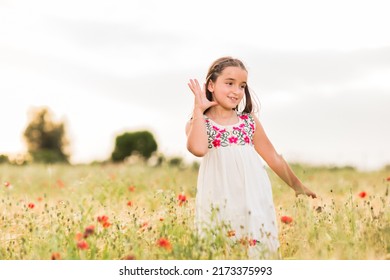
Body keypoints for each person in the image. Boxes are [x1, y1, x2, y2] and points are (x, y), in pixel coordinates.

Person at [185, 56, 317, 258]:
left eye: (242, 86)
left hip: (252, 196)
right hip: (219, 197)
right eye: (229, 83)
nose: (236, 91)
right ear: (211, 85)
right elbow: (198, 149)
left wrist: (298, 187)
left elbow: (273, 156)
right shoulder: (200, 123)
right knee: (221, 247)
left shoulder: (248, 122)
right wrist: (198, 109)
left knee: (255, 246)